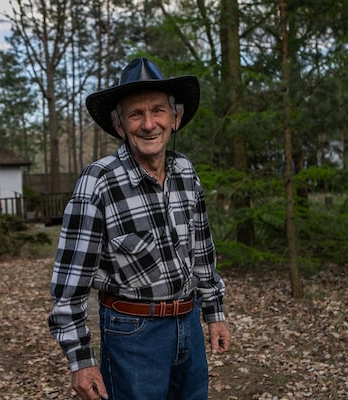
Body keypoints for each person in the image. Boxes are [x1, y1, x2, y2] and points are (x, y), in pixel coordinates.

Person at [48, 57, 232, 400]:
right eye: (136, 114)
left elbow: (202, 253)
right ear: (120, 125)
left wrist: (214, 313)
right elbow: (69, 285)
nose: (149, 124)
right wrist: (81, 361)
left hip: (188, 325)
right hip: (132, 334)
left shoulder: (186, 172)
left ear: (174, 118)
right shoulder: (99, 181)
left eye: (158, 111)